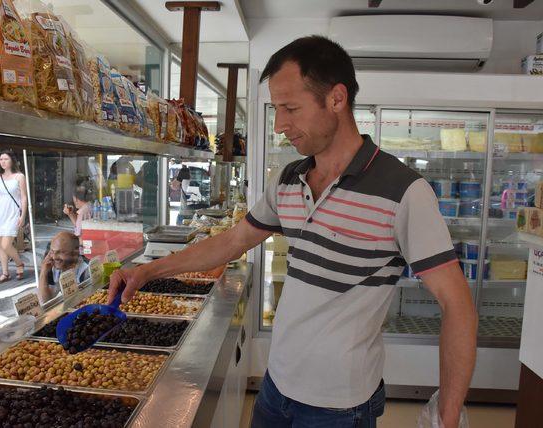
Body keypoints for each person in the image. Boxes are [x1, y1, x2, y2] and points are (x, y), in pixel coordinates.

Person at [108, 36, 477, 428]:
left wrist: (448, 416)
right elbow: (233, 241)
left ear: (336, 99)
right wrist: (147, 271)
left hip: (341, 408)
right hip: (275, 389)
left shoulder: (404, 191)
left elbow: (458, 307)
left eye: (290, 108)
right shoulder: (289, 179)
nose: (281, 125)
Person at [0, 150, 28, 284]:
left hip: (13, 211)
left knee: (6, 244)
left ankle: (19, 263)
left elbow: (24, 197)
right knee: (1, 245)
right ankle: (5, 273)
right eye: (1, 159)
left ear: (12, 161)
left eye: (6, 159)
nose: (3, 162)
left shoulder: (19, 176)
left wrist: (23, 215)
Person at [37, 231, 90, 302]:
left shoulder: (86, 270)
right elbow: (45, 301)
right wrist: (43, 272)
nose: (54, 257)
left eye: (60, 252)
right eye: (52, 251)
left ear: (75, 253)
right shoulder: (50, 266)